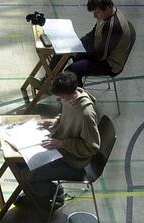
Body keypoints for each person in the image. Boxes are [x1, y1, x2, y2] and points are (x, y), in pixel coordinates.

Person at [13, 71, 100, 212]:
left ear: (69, 94)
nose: (58, 100)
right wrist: (56, 120)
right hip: (61, 149)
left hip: (74, 161)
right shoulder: (70, 99)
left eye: (60, 97)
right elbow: (66, 115)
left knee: (29, 174)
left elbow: (92, 147)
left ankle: (56, 194)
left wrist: (63, 143)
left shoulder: (86, 114)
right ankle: (37, 192)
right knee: (20, 164)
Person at [53, 0, 135, 85]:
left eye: (97, 12)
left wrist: (78, 53)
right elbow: (93, 34)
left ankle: (79, 96)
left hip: (109, 64)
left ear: (107, 8)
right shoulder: (106, 15)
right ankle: (49, 80)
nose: (95, 16)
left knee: (72, 71)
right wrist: (78, 44)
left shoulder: (113, 26)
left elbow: (101, 56)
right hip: (99, 52)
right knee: (64, 49)